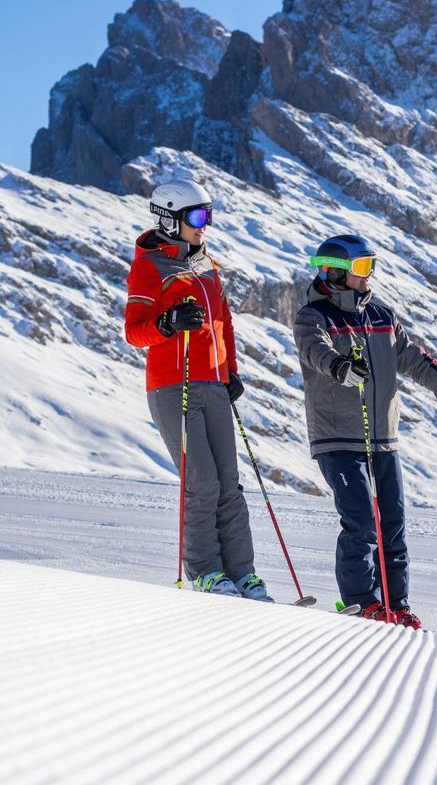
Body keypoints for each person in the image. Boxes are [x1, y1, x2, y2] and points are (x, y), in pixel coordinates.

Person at [293, 234, 437, 627]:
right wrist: (340, 368)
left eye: (372, 266)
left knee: (392, 524)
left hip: (383, 438)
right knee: (361, 521)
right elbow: (315, 350)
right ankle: (362, 601)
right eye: (363, 268)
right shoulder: (313, 317)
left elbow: (418, 361)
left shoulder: (382, 317)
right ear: (334, 272)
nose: (370, 276)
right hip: (338, 437)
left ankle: (395, 604)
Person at [124, 173, 272, 601]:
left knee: (229, 481)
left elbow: (224, 325)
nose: (204, 224)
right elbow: (135, 332)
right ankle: (206, 571)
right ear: (170, 219)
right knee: (202, 481)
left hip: (213, 382)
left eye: (207, 214)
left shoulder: (206, 264)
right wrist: (168, 324)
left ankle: (243, 573)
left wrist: (231, 372)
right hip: (173, 385)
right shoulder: (150, 266)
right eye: (197, 216)